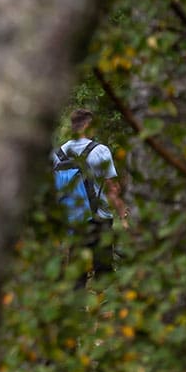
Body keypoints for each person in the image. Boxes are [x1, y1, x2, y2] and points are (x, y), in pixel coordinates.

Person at [54, 108, 129, 286]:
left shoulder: (59, 153)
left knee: (76, 269)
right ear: (88, 125)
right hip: (99, 218)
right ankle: (106, 309)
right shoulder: (100, 151)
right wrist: (123, 214)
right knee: (103, 268)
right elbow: (112, 188)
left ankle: (76, 310)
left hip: (73, 220)